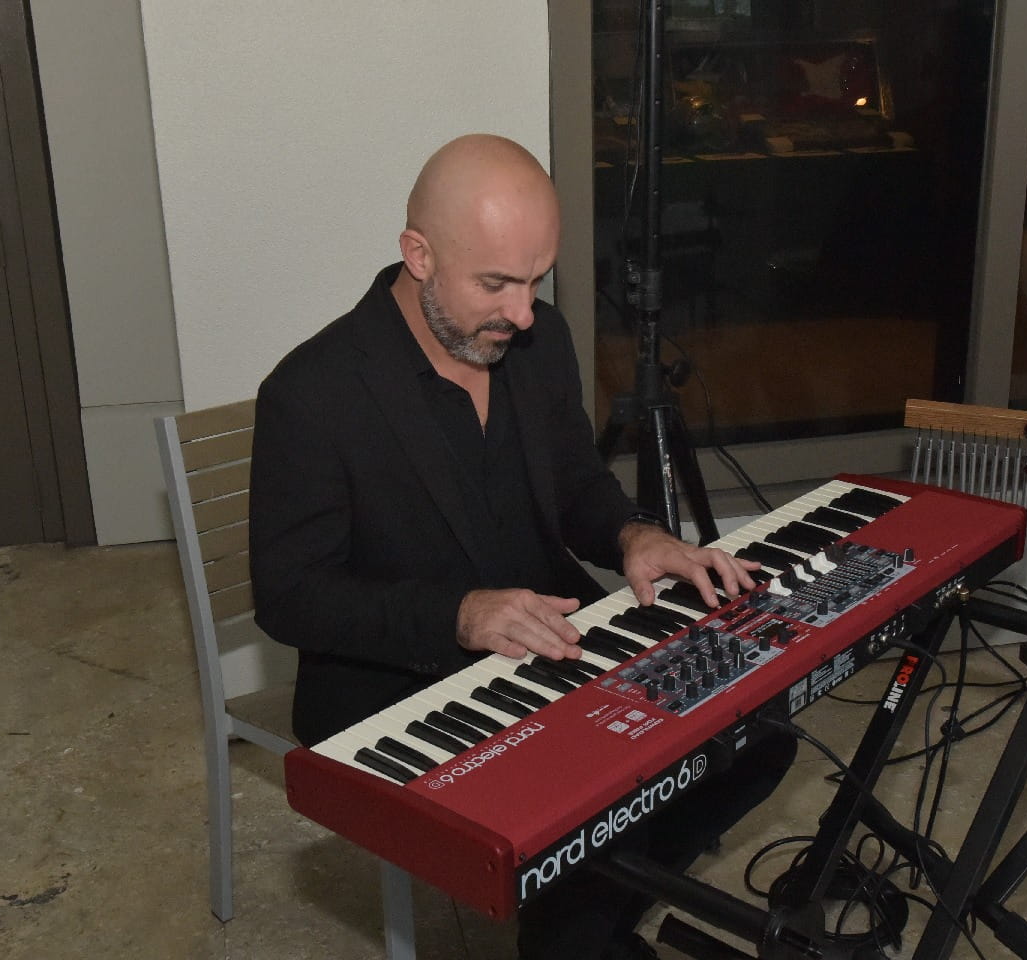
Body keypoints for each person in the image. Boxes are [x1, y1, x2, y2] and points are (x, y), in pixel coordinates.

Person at [249, 134, 797, 959]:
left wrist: (634, 535)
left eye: (537, 280)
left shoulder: (539, 343)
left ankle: (592, 924)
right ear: (419, 256)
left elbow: (574, 483)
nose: (523, 313)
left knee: (758, 736)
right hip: (398, 680)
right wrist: (460, 615)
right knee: (591, 806)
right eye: (497, 283)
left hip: (554, 638)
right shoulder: (313, 392)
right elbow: (292, 594)